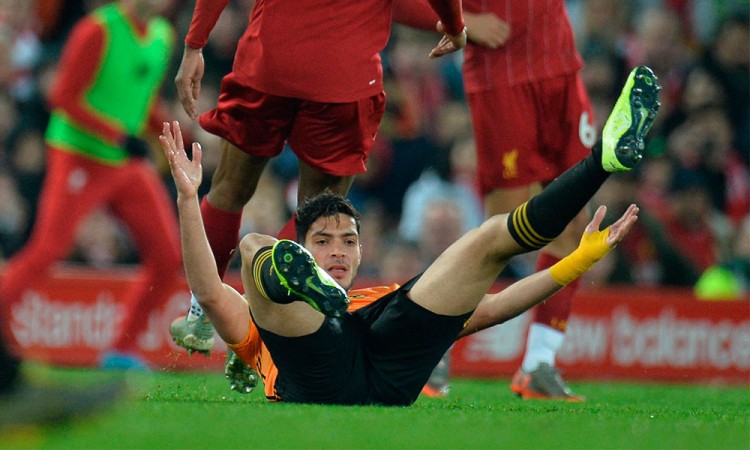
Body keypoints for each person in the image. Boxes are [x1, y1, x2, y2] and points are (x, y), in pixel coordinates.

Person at [160, 65, 660, 405]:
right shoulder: (258, 335)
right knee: (256, 246)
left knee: (488, 240)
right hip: (314, 369)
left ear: (362, 253)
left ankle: (602, 161)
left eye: (349, 241)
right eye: (325, 242)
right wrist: (186, 198)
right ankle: (296, 279)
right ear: (308, 250)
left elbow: (490, 308)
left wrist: (577, 260)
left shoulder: (378, 297)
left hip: (389, 363)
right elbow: (208, 290)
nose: (339, 250)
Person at [169, 0, 469, 355]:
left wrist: (194, 44)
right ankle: (259, 332)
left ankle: (201, 314)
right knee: (314, 215)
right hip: (343, 75)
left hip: (268, 62)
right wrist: (455, 24)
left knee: (228, 189)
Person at [398, 0, 617, 400]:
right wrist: (461, 21)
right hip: (502, 76)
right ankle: (431, 345)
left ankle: (539, 363)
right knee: (502, 234)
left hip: (562, 68)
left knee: (574, 224)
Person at [0, 0, 182, 369]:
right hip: (77, 155)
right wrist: (117, 135)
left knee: (167, 258)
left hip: (123, 162)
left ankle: (120, 351)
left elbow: (140, 99)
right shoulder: (98, 29)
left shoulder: (163, 37)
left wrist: (172, 132)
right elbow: (63, 97)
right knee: (48, 249)